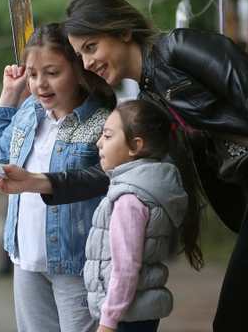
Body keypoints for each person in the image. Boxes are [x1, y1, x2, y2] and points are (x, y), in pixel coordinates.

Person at [0, 0, 248, 331]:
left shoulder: (181, 48)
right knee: (233, 321)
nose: (89, 62)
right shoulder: (151, 100)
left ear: (123, 32)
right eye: (80, 55)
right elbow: (119, 174)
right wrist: (37, 182)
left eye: (92, 47)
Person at [0, 23, 115, 332]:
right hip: (25, 256)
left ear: (79, 69)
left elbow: (106, 178)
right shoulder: (29, 111)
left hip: (77, 261)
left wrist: (34, 180)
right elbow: (0, 156)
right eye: (33, 74)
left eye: (53, 73)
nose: (41, 84)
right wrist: (9, 97)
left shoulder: (103, 122)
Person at [85, 99, 202, 332]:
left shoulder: (130, 199)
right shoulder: (149, 188)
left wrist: (108, 322)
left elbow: (125, 268)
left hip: (125, 316)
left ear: (135, 146)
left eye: (107, 136)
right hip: (137, 312)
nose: (99, 143)